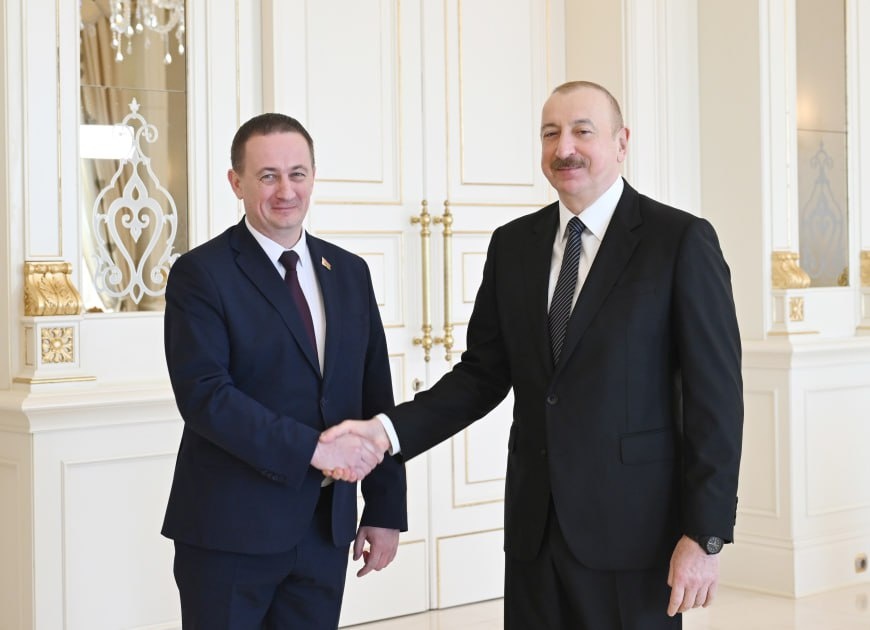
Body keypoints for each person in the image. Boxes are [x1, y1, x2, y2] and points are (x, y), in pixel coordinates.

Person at [323, 81, 743, 629]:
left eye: (582, 131)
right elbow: (480, 377)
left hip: (635, 536)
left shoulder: (680, 241)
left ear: (621, 142)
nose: (563, 148)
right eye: (550, 133)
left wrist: (705, 535)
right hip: (534, 532)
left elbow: (716, 400)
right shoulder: (513, 244)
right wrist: (386, 433)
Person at [162, 112, 407, 629]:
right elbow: (206, 396)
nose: (285, 191)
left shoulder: (350, 272)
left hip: (324, 533)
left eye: (297, 174)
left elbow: (374, 395)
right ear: (237, 183)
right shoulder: (200, 274)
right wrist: (314, 449)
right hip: (230, 532)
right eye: (267, 176)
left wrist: (385, 508)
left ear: (313, 177)